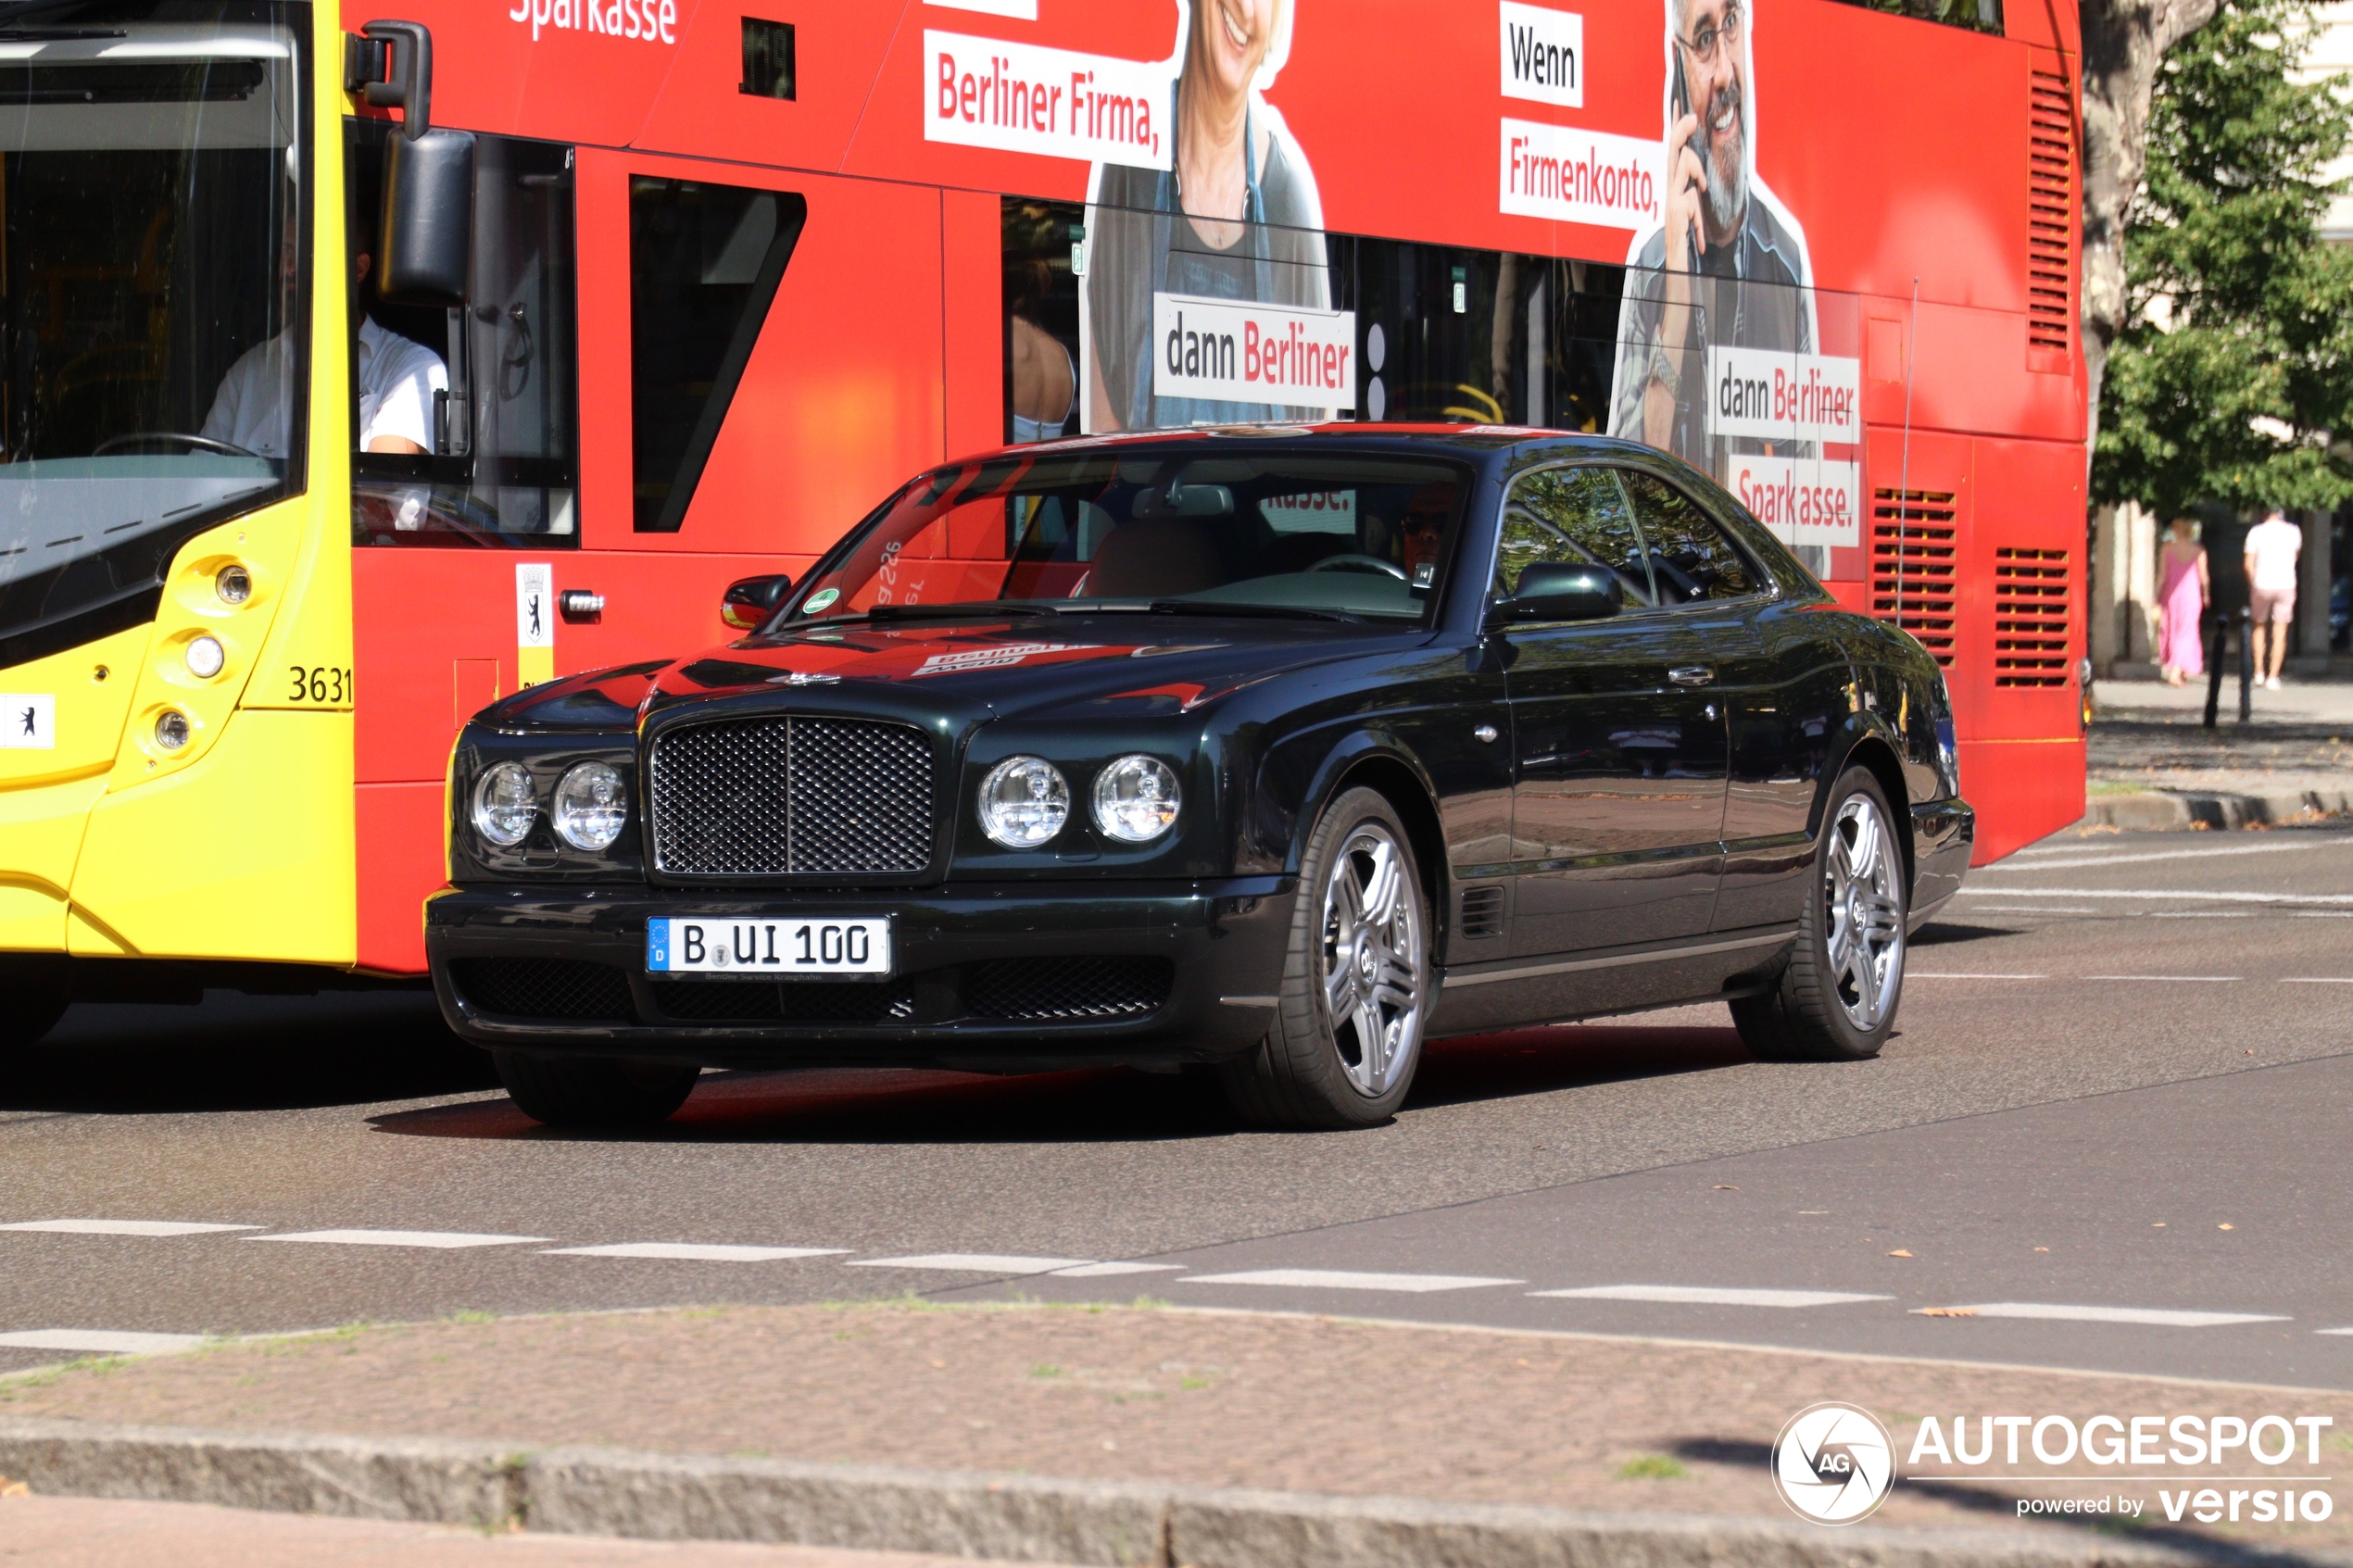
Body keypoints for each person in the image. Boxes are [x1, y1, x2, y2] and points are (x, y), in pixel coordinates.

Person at [1608, 0, 1817, 560]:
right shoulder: (1650, 267)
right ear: (1675, 74)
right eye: (1702, 40)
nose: (1725, 70)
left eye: (1730, 26)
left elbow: (1810, 536)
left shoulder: (1788, 264)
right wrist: (1677, 303)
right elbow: (1623, 502)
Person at [1082, 0, 1327, 432]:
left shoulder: (1288, 194)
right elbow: (1106, 431)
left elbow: (1318, 436)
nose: (1247, 8)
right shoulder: (1131, 169)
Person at [201, 220, 446, 458]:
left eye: (307, 253)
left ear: (358, 269)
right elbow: (200, 479)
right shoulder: (249, 373)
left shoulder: (411, 369)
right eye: (286, 252)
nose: (289, 268)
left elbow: (382, 490)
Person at [2243, 507, 2303, 690]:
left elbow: (2248, 564)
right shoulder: (2294, 531)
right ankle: (2273, 676)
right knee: (2280, 631)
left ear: (2263, 514)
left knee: (2259, 626)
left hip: (2262, 583)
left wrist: (2252, 582)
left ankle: (2259, 672)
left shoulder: (2256, 532)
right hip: (2286, 583)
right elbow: (2295, 557)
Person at [2156, 517, 2208, 685]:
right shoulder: (2199, 551)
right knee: (2187, 631)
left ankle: (2178, 670)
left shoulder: (2167, 549)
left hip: (2172, 595)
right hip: (2191, 596)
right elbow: (2204, 577)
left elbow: (2162, 576)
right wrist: (2206, 594)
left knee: (2172, 629)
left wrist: (2155, 595)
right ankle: (2177, 670)